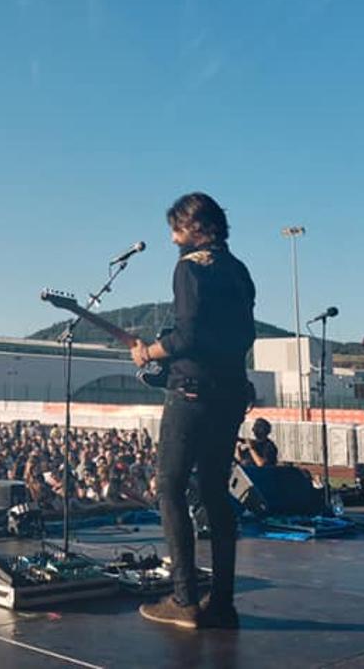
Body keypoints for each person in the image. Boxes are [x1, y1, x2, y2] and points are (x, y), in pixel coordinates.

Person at [131, 192, 256, 630]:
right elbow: (242, 334)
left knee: (169, 487)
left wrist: (151, 351)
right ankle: (222, 602)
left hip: (190, 393)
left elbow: (188, 336)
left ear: (198, 226)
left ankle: (184, 599)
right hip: (230, 392)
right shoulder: (239, 270)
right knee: (215, 493)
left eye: (177, 229)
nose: (172, 239)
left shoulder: (189, 267)